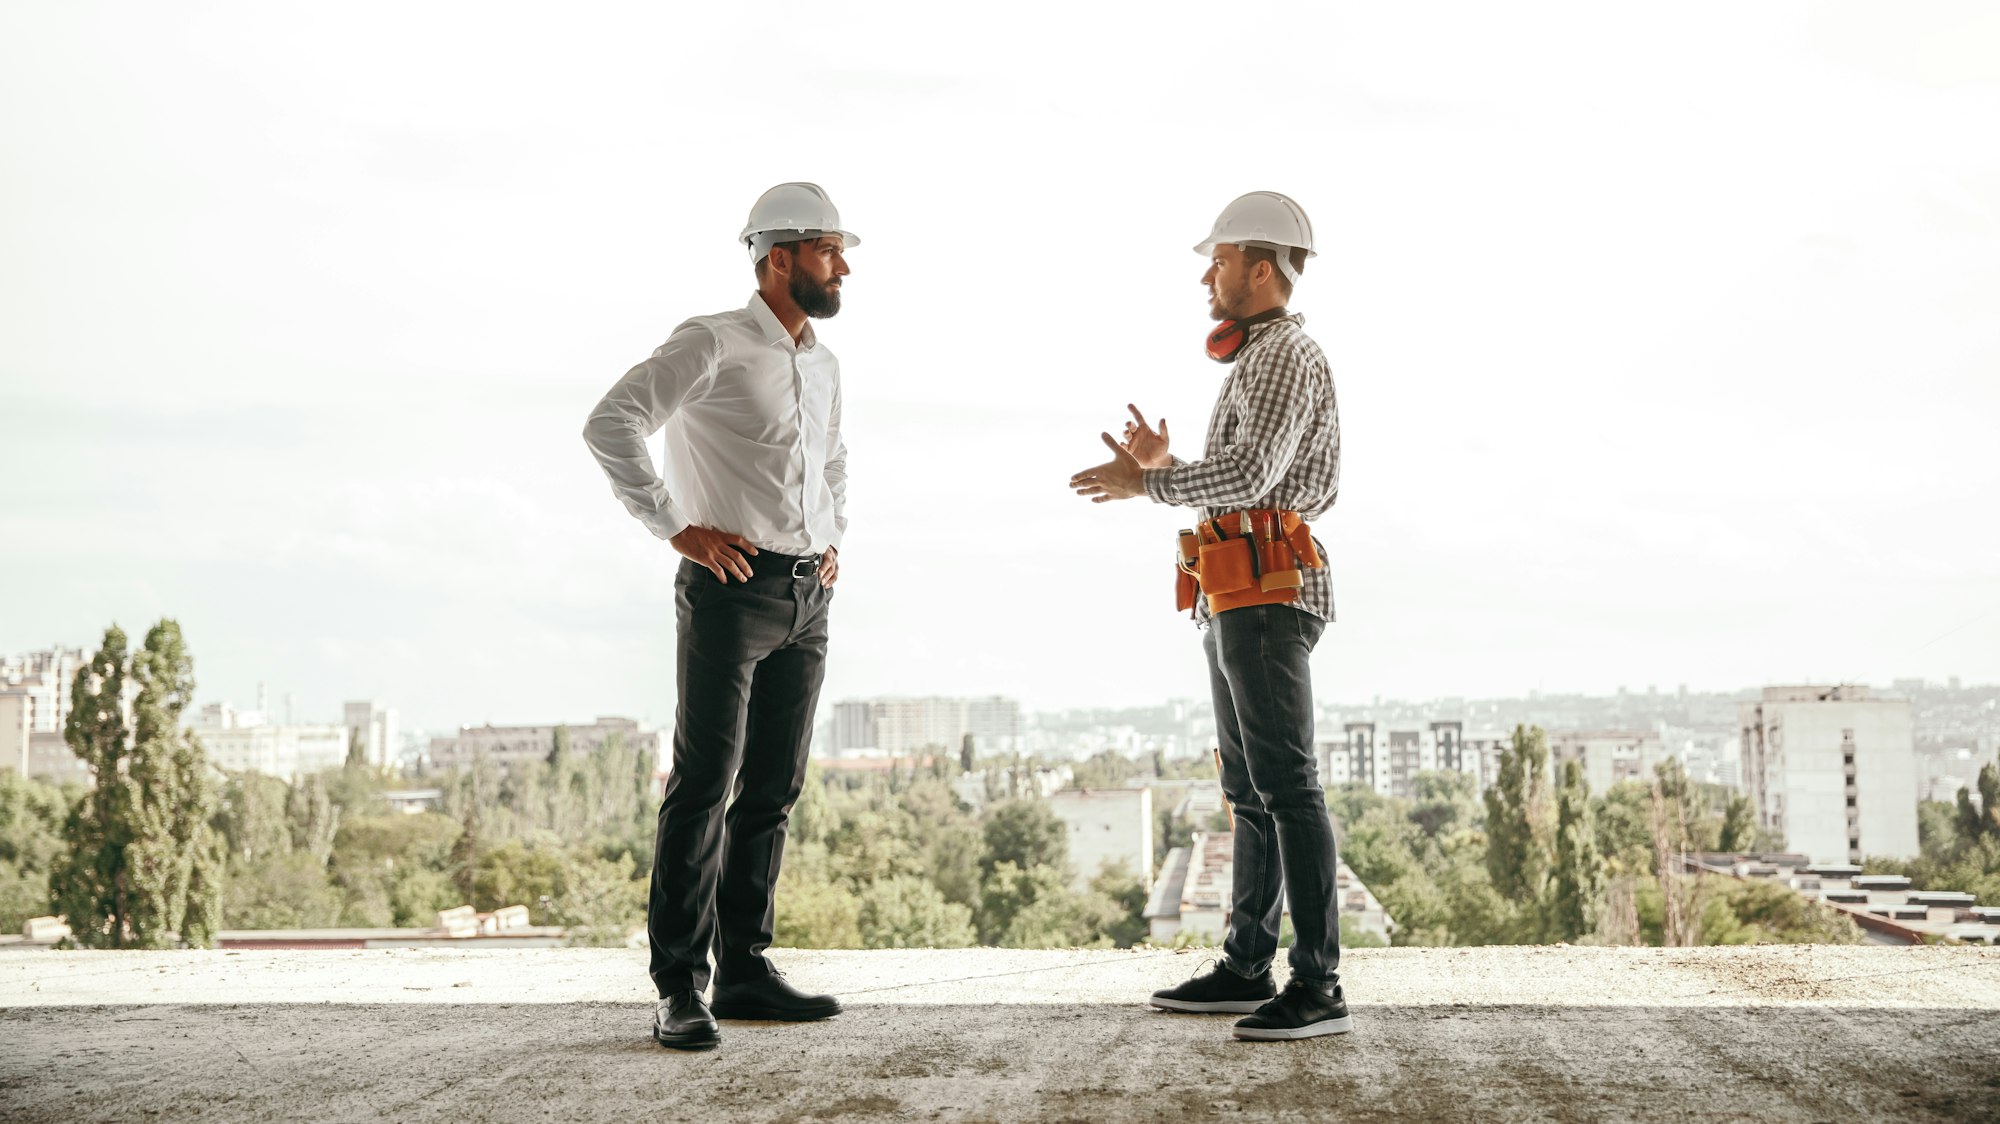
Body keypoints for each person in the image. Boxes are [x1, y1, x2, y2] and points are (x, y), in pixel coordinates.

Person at [1069, 191, 1351, 1042]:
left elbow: (1249, 478)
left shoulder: (1282, 357)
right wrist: (1169, 465)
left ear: (1261, 269)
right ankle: (1245, 966)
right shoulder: (1256, 360)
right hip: (1238, 590)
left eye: (1219, 260)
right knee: (1250, 790)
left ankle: (1319, 987)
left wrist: (1147, 483)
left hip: (1267, 593)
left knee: (1287, 787)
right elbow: (1243, 472)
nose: (1208, 274)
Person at [582, 182, 856, 1050]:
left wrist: (833, 536)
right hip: (730, 593)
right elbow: (611, 421)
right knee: (704, 786)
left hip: (809, 596)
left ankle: (743, 968)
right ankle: (678, 988)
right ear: (780, 257)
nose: (843, 266)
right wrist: (675, 527)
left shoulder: (823, 362)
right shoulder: (715, 341)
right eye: (828, 250)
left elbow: (835, 459)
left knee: (772, 791)